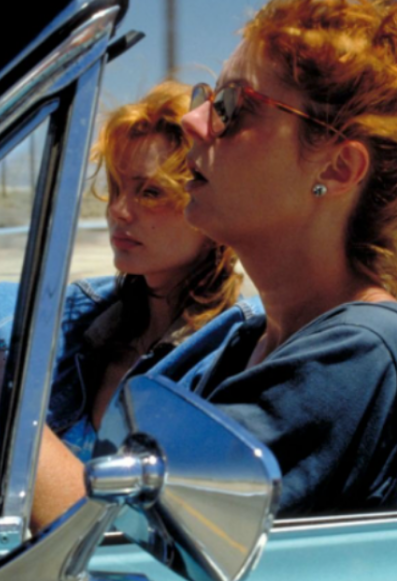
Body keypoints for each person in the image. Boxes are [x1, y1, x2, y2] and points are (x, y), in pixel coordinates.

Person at [165, 0, 397, 518]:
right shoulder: (244, 341)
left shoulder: (363, 354)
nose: (192, 120)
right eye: (207, 97)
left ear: (336, 168)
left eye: (232, 105)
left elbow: (139, 535)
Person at [13, 81, 252, 529]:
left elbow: (134, 540)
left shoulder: (232, 356)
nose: (119, 211)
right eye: (117, 187)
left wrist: (13, 415)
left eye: (150, 192)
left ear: (207, 197)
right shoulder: (82, 314)